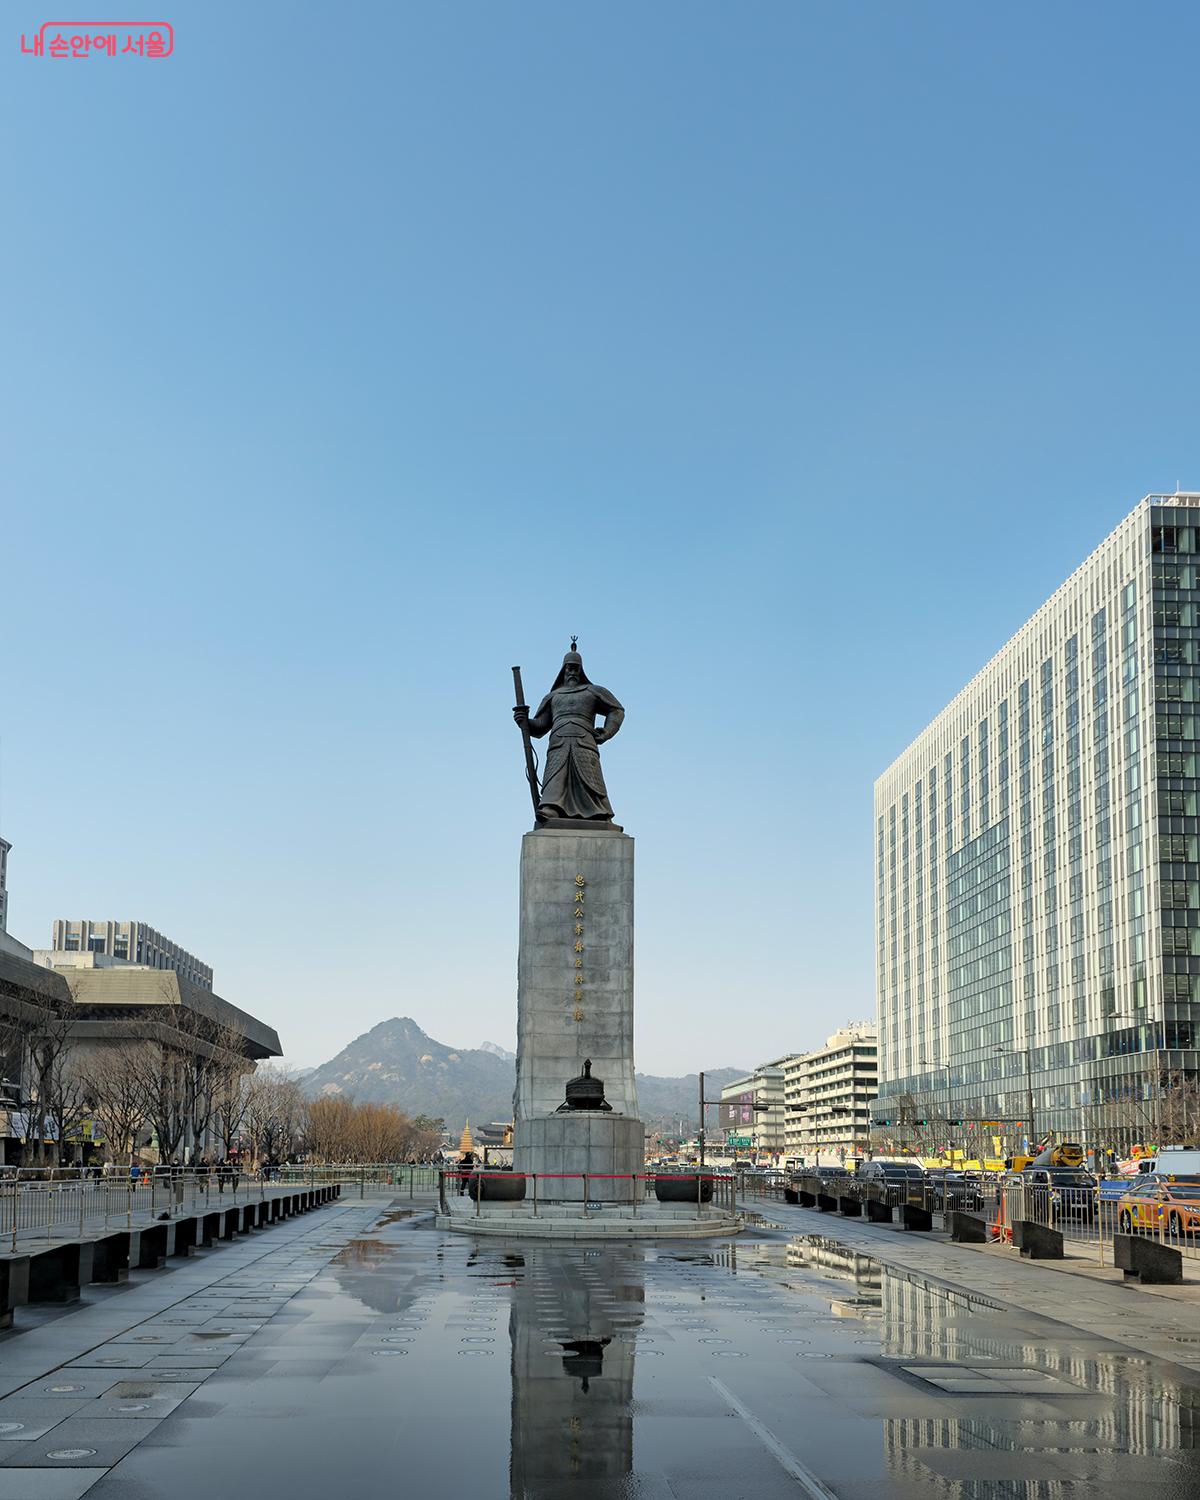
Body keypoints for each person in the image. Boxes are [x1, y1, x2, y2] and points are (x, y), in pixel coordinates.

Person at [514, 642, 624, 822]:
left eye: (575, 668)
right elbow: (540, 726)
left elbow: (616, 710)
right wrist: (524, 721)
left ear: (581, 670)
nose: (572, 672)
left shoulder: (593, 691)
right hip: (558, 741)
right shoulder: (553, 696)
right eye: (569, 668)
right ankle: (551, 807)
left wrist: (606, 732)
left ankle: (598, 812)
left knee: (590, 778)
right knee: (555, 775)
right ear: (563, 670)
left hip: (584, 741)